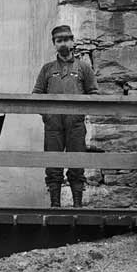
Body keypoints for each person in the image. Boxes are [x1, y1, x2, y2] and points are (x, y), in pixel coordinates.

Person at [32, 23, 98, 208]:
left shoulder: (83, 68)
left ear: (73, 41)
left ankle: (78, 205)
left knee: (77, 161)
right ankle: (55, 204)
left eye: (67, 39)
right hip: (53, 125)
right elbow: (36, 94)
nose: (63, 44)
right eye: (59, 40)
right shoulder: (47, 69)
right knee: (53, 163)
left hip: (75, 125)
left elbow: (94, 94)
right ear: (54, 44)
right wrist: (47, 115)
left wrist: (80, 113)